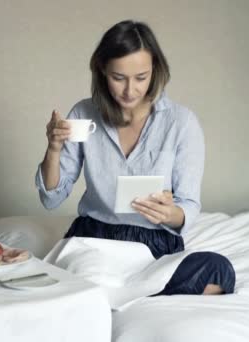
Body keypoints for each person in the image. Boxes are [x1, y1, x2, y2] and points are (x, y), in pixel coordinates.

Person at [35, 20, 235, 295]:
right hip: (95, 239)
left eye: (141, 77)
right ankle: (132, 293)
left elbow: (187, 206)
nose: (130, 90)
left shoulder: (181, 122)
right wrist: (54, 149)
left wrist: (169, 213)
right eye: (119, 78)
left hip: (155, 246)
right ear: (102, 71)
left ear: (155, 71)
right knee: (91, 278)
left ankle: (120, 292)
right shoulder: (83, 113)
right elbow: (51, 198)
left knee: (218, 270)